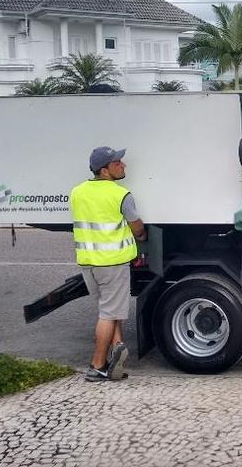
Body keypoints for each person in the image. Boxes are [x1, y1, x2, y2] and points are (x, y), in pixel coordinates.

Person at [70, 146, 146, 382]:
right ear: (104, 171)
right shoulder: (120, 195)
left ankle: (117, 353)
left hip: (88, 263)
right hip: (112, 264)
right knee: (108, 314)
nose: (123, 165)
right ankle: (97, 366)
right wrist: (142, 237)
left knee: (109, 312)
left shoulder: (77, 192)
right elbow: (137, 227)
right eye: (117, 163)